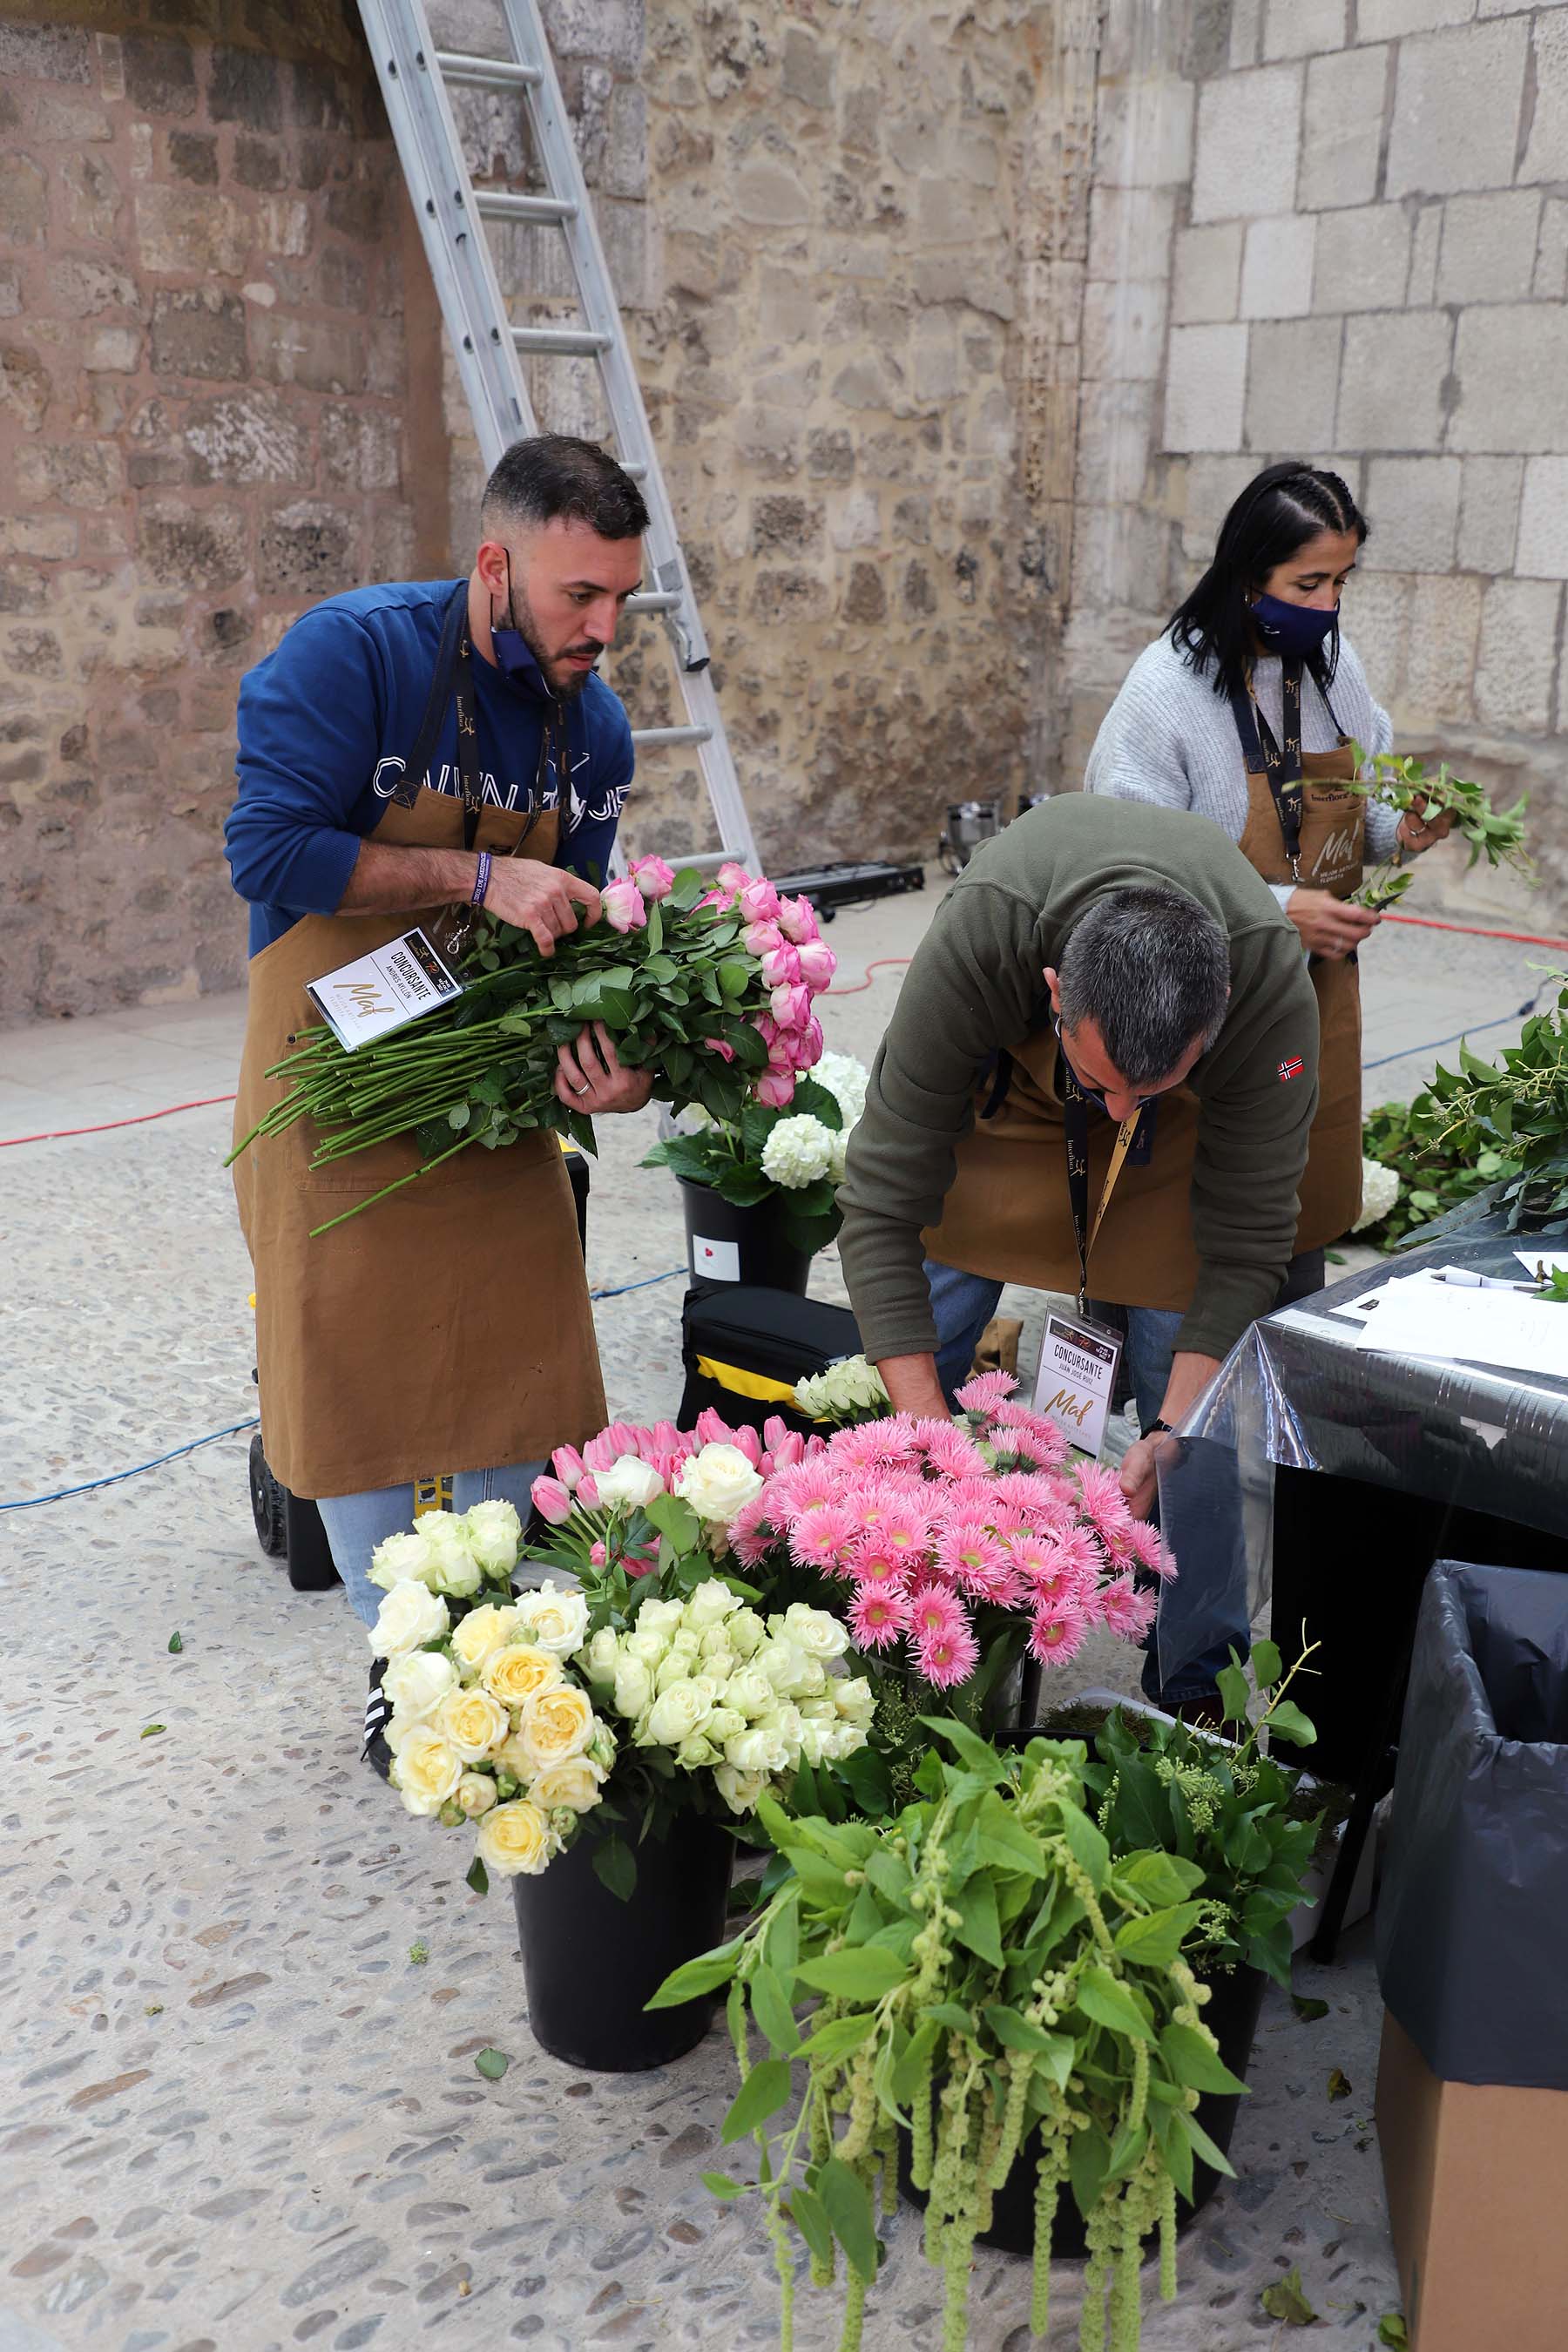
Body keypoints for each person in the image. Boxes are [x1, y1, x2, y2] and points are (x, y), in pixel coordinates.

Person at [225, 434, 654, 1744]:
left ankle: (496, 1636)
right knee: (355, 1368)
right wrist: (476, 879)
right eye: (580, 595)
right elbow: (269, 849)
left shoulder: (598, 728)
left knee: (512, 1358)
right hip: (330, 1066)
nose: (605, 630)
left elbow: (567, 937)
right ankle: (402, 1661)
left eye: (624, 600)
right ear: (493, 562)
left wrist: (609, 1071)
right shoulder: (354, 656)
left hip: (487, 1076)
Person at [835, 796, 1322, 1700]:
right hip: (1016, 1101)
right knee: (909, 1347)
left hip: (1191, 1145)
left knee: (1197, 1431)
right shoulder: (984, 934)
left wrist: (1171, 1430)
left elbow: (1250, 1239)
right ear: (1057, 992)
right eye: (1109, 1085)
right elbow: (878, 1204)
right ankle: (885, 1624)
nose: (1123, 1114)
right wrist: (927, 1422)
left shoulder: (1266, 990)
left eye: (1152, 1084)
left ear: (1217, 1014)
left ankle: (1195, 1685)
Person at [1083, 463, 1451, 1341]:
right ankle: (1174, 1422)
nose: (1328, 606)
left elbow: (1361, 816)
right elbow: (1128, 863)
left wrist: (1407, 830)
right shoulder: (1164, 693)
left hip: (1316, 996)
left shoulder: (1332, 669)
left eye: (1341, 582)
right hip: (1195, 1006)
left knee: (1300, 1205)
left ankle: (1282, 1394)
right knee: (1193, 1220)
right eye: (1309, 583)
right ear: (1249, 577)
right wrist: (1277, 905)